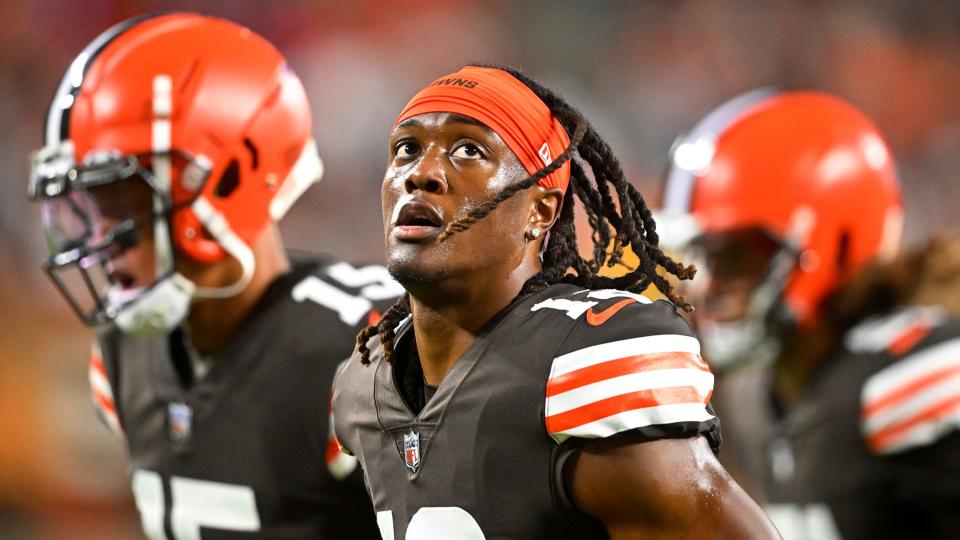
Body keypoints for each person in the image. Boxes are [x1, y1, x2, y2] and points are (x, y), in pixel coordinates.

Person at [332, 65, 780, 539]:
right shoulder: (364, 386)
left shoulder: (579, 364)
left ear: (539, 211)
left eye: (469, 150)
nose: (421, 174)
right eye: (407, 149)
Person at [28, 13, 397, 539]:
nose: (99, 239)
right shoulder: (120, 361)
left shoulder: (366, 356)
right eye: (90, 205)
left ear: (229, 175)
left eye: (124, 200)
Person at [660, 90, 960, 539]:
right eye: (706, 258)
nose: (711, 286)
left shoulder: (912, 376)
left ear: (836, 239)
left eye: (738, 256)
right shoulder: (769, 393)